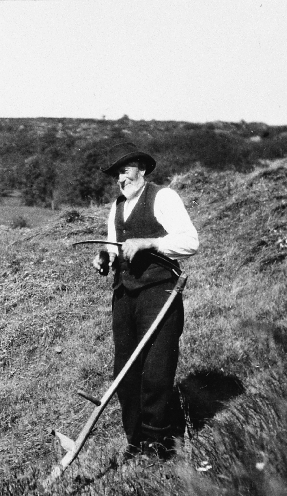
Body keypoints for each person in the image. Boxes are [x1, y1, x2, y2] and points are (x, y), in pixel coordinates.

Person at [91, 142, 199, 457]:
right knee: (124, 372)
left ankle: (158, 442)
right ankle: (135, 441)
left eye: (125, 170)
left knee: (156, 370)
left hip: (159, 291)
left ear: (141, 168)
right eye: (116, 174)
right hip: (124, 294)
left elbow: (189, 241)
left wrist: (148, 243)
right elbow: (114, 247)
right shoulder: (117, 206)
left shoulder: (162, 197)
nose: (120, 179)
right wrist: (104, 257)